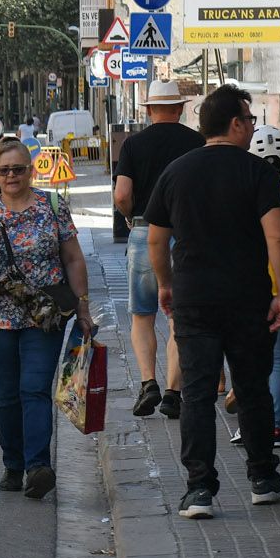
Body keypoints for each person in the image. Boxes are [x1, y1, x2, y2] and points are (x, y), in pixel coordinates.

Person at [143, 85, 280, 519]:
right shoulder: (259, 173)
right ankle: (263, 477)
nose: (252, 127)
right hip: (247, 297)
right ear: (235, 124)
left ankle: (199, 489)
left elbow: (156, 237)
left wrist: (166, 284)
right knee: (251, 388)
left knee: (197, 391)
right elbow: (278, 236)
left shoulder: (176, 172)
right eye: (249, 119)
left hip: (194, 298)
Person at [0, 135, 93, 498]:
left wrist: (82, 306)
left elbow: (73, 259)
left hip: (45, 315)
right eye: (4, 170)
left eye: (18, 169)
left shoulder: (52, 207)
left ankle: (38, 466)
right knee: (8, 392)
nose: (11, 175)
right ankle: (12, 464)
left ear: (31, 170)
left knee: (34, 387)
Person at [112, 81, 203, 420]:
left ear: (148, 110)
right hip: (186, 235)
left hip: (143, 233)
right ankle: (172, 393)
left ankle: (148, 381)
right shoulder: (196, 143)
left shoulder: (134, 144)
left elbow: (122, 195)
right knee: (180, 316)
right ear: (180, 108)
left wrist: (131, 217)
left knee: (142, 315)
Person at [229, 123, 280, 451]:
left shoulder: (250, 186)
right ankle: (278, 424)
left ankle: (268, 426)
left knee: (266, 359)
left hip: (262, 285)